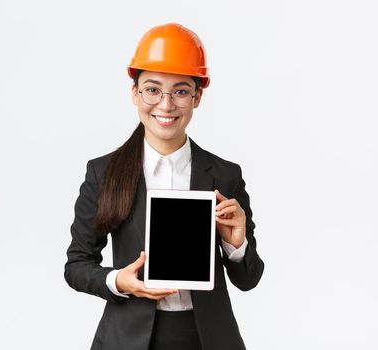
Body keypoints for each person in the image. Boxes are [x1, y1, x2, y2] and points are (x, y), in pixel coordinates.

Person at [64, 23, 265, 350]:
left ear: (197, 97)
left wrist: (236, 245)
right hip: (128, 337)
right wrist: (118, 281)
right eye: (153, 89)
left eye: (181, 91)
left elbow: (248, 279)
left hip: (206, 338)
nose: (166, 104)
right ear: (135, 92)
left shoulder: (224, 175)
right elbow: (77, 265)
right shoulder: (104, 173)